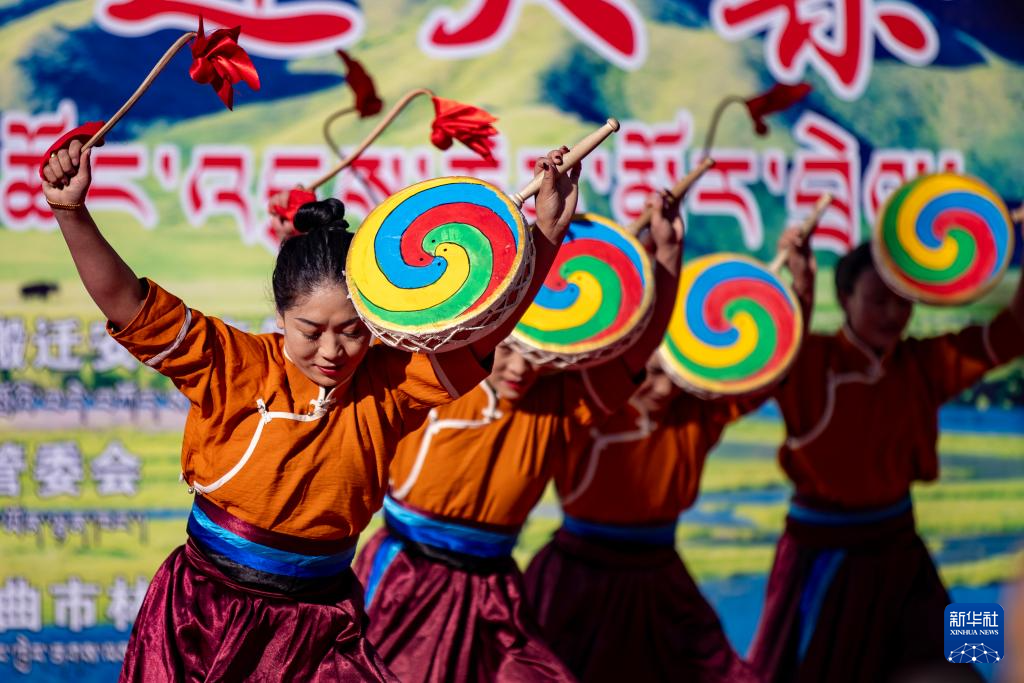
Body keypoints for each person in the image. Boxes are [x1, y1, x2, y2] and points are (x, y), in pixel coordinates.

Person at [40, 137, 581, 681]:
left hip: (323, 623)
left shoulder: (391, 386)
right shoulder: (232, 364)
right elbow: (129, 304)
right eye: (310, 330)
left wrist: (546, 234)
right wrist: (70, 211)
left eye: (351, 331)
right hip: (205, 615)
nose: (331, 351)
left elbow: (484, 335)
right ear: (280, 315)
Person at [352, 190, 686, 681]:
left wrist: (669, 256)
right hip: (406, 578)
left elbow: (639, 351)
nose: (520, 368)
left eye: (536, 355)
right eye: (507, 349)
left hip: (494, 587)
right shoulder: (435, 379)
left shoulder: (561, 404)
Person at [522, 227, 814, 683]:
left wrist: (802, 291)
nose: (661, 387)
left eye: (672, 375)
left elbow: (768, 372)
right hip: (577, 577)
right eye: (649, 373)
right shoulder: (587, 404)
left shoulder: (697, 413)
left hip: (660, 575)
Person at [748, 239, 1024, 683]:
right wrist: (800, 282)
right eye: (878, 300)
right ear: (845, 298)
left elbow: (1013, 332)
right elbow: (774, 344)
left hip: (902, 545)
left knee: (968, 656)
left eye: (903, 301)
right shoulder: (810, 360)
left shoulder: (922, 362)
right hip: (820, 556)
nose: (894, 314)